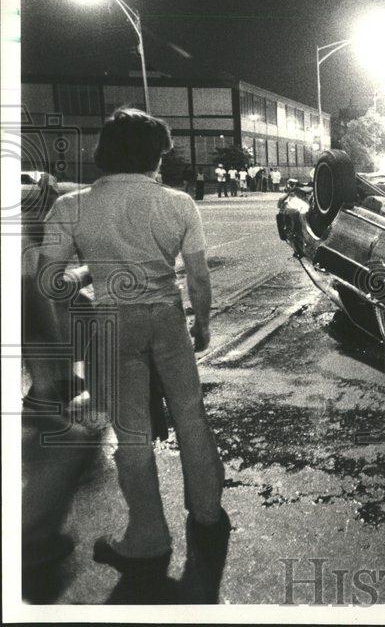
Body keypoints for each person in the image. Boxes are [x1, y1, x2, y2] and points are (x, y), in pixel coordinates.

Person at [39, 108, 230, 603]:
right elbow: (199, 277)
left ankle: (147, 535)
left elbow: (51, 279)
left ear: (104, 151)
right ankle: (207, 508)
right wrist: (202, 322)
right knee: (191, 415)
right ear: (153, 155)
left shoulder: (73, 206)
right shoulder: (178, 203)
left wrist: (87, 278)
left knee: (133, 432)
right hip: (166, 318)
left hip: (111, 323)